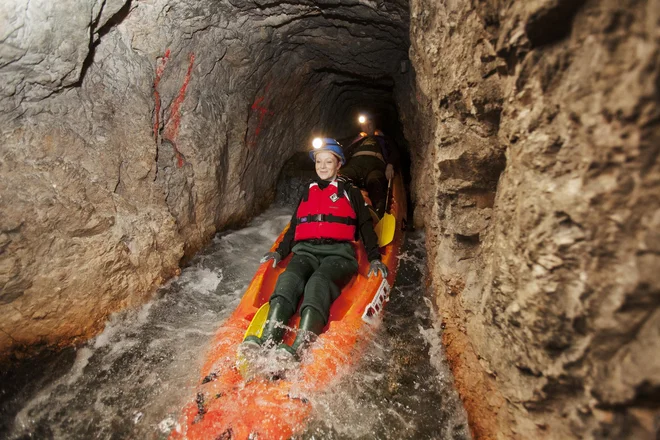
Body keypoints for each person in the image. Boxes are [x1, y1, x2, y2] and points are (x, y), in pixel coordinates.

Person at [239, 137, 388, 364]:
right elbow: (295, 226)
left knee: (318, 282)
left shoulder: (350, 193)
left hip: (339, 255)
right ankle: (269, 339)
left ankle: (300, 346)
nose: (323, 167)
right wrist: (279, 252)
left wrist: (375, 258)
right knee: (289, 279)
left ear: (339, 165)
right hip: (306, 252)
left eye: (329, 162)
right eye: (319, 162)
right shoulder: (308, 191)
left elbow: (366, 228)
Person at [339, 114, 398, 218]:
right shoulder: (357, 139)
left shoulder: (383, 138)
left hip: (375, 163)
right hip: (355, 162)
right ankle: (338, 209)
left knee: (375, 181)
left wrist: (390, 165)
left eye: (370, 124)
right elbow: (342, 149)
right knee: (343, 178)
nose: (367, 127)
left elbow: (394, 151)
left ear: (374, 124)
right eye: (364, 125)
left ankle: (376, 214)